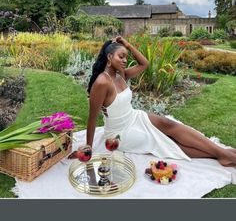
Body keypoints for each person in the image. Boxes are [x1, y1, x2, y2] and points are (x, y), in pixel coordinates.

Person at [69, 36, 236, 166]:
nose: (125, 60)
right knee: (167, 142)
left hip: (135, 117)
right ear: (109, 56)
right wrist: (89, 147)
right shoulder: (102, 82)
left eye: (126, 57)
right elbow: (92, 118)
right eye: (121, 56)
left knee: (168, 124)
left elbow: (144, 64)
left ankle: (221, 152)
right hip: (120, 133)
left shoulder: (121, 74)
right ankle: (224, 155)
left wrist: (128, 45)